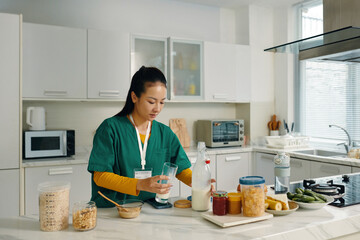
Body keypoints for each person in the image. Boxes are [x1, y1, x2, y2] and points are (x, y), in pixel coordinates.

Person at [87, 66, 194, 207]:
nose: (157, 108)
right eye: (151, 102)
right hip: (114, 209)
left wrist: (199, 182)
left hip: (148, 208)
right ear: (134, 97)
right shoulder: (110, 129)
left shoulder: (165, 133)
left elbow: (181, 169)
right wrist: (140, 184)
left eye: (162, 102)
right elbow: (100, 176)